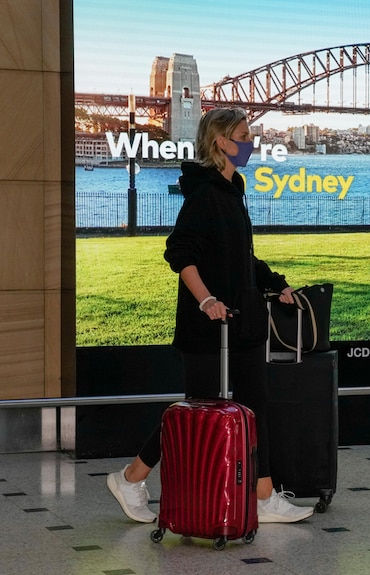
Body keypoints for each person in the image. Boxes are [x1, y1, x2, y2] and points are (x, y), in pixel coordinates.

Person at [107, 108, 313, 524]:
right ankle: (130, 478)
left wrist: (277, 284)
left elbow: (242, 258)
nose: (250, 143)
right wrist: (205, 301)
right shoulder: (204, 195)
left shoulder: (232, 190)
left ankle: (263, 496)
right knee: (196, 412)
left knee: (256, 407)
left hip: (244, 323)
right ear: (220, 141)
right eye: (243, 135)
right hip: (209, 328)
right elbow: (180, 253)